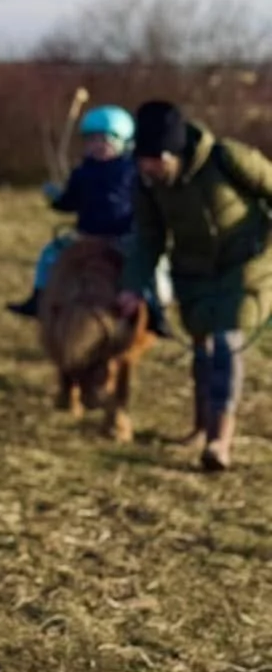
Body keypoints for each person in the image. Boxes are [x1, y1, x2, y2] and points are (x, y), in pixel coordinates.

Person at [119, 99, 272, 473]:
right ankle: (200, 427)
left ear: (174, 153)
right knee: (202, 348)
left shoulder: (227, 158)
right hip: (193, 274)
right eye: (142, 159)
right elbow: (148, 239)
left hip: (247, 268)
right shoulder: (148, 185)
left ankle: (221, 439)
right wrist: (134, 285)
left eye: (154, 160)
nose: (147, 167)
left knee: (226, 343)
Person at [7, 105, 141, 319]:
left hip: (121, 238)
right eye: (92, 140)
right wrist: (56, 199)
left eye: (104, 140)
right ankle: (38, 299)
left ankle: (154, 310)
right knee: (49, 255)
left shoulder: (133, 172)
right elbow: (70, 202)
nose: (97, 146)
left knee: (146, 270)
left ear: (122, 142)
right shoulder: (82, 172)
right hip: (87, 236)